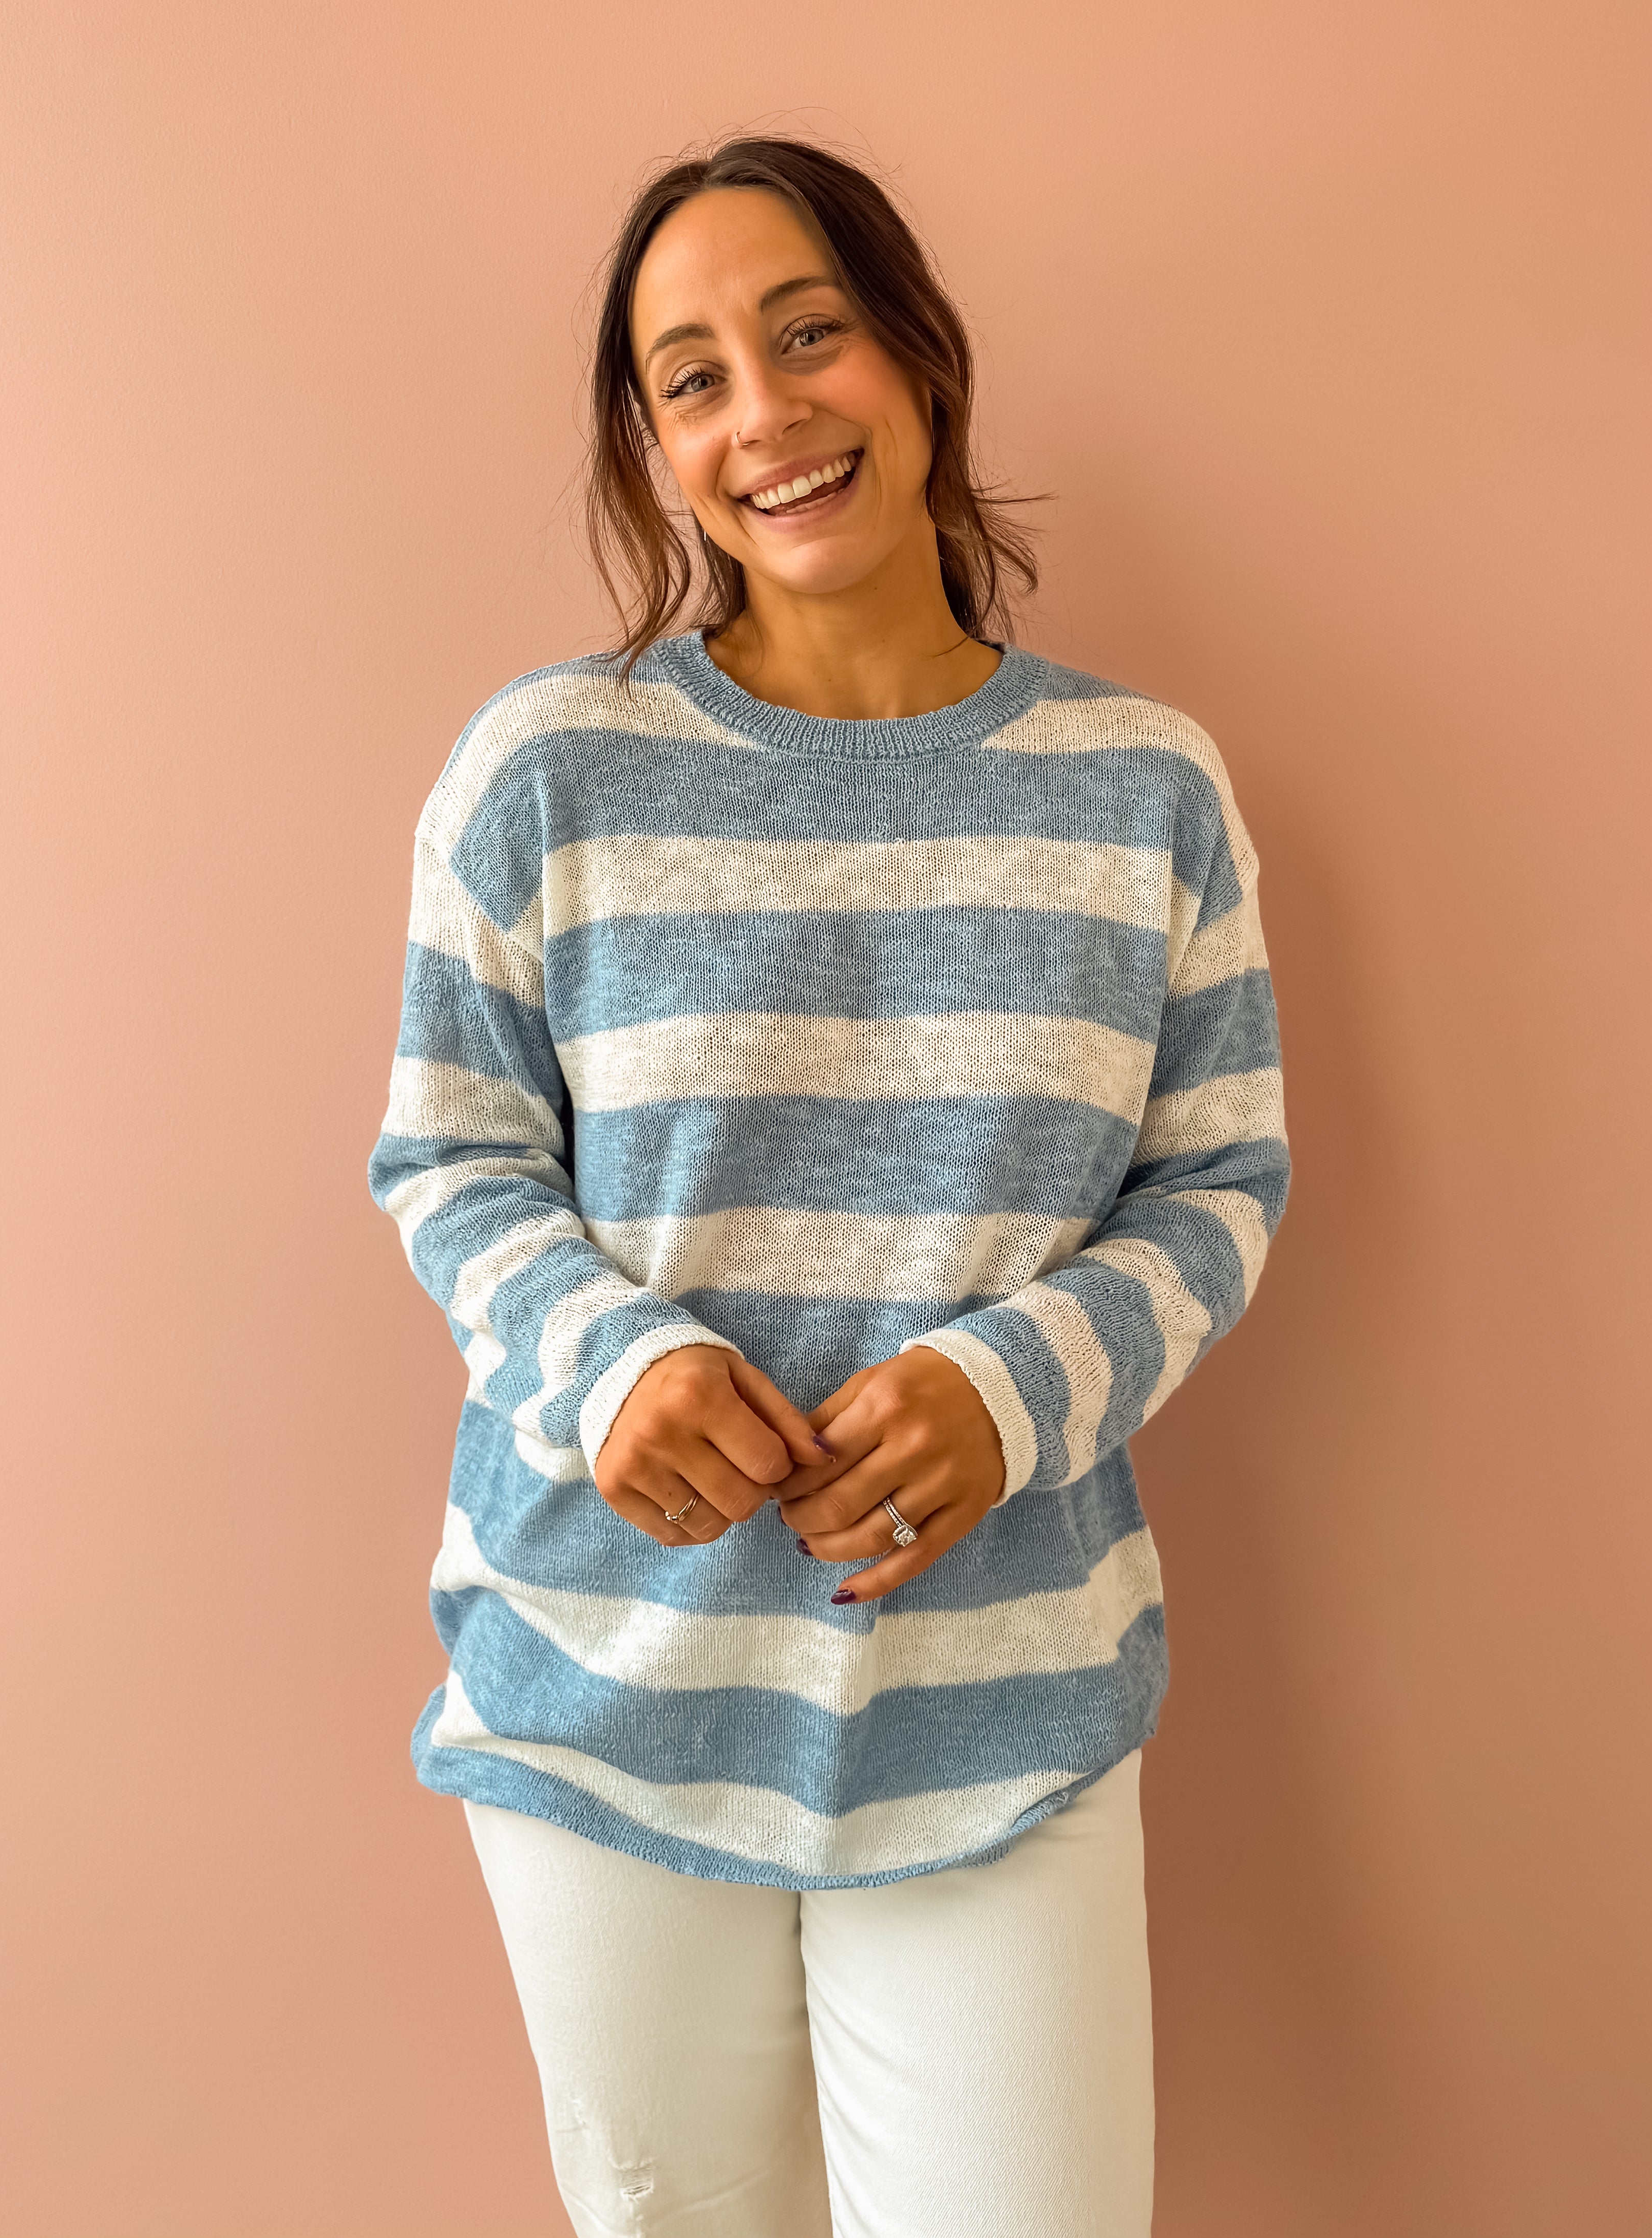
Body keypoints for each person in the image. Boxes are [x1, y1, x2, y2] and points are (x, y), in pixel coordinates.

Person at [368, 135, 1287, 2238]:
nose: (764, 413)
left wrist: (1010, 1386)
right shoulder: (545, 770)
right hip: (606, 1688)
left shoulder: (1145, 788)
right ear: (656, 451)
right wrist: (614, 1365)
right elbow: (453, 1152)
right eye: (690, 378)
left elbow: (1218, 1178)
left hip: (1003, 1702)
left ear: (919, 357)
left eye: (809, 335)